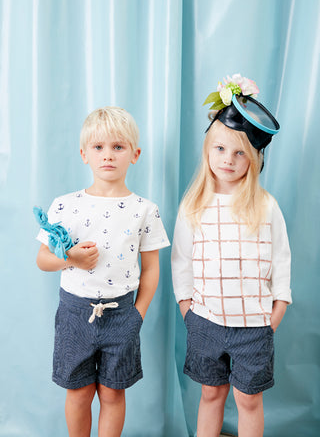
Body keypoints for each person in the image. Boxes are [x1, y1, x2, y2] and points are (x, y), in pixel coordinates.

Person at [35, 106, 170, 437]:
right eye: (98, 147)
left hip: (121, 312)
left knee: (112, 392)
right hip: (74, 312)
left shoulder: (145, 210)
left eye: (118, 147)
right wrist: (72, 259)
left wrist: (136, 314)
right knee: (79, 392)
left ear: (134, 154)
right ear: (84, 154)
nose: (107, 155)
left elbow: (151, 270)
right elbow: (42, 258)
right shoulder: (65, 205)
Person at [171, 74, 292, 437]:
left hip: (254, 326)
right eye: (220, 149)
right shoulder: (194, 205)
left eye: (240, 152)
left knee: (248, 400)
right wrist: (187, 308)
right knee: (211, 394)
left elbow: (281, 258)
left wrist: (277, 309)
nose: (228, 159)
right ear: (208, 150)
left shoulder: (265, 205)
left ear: (254, 158)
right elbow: (182, 260)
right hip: (205, 321)